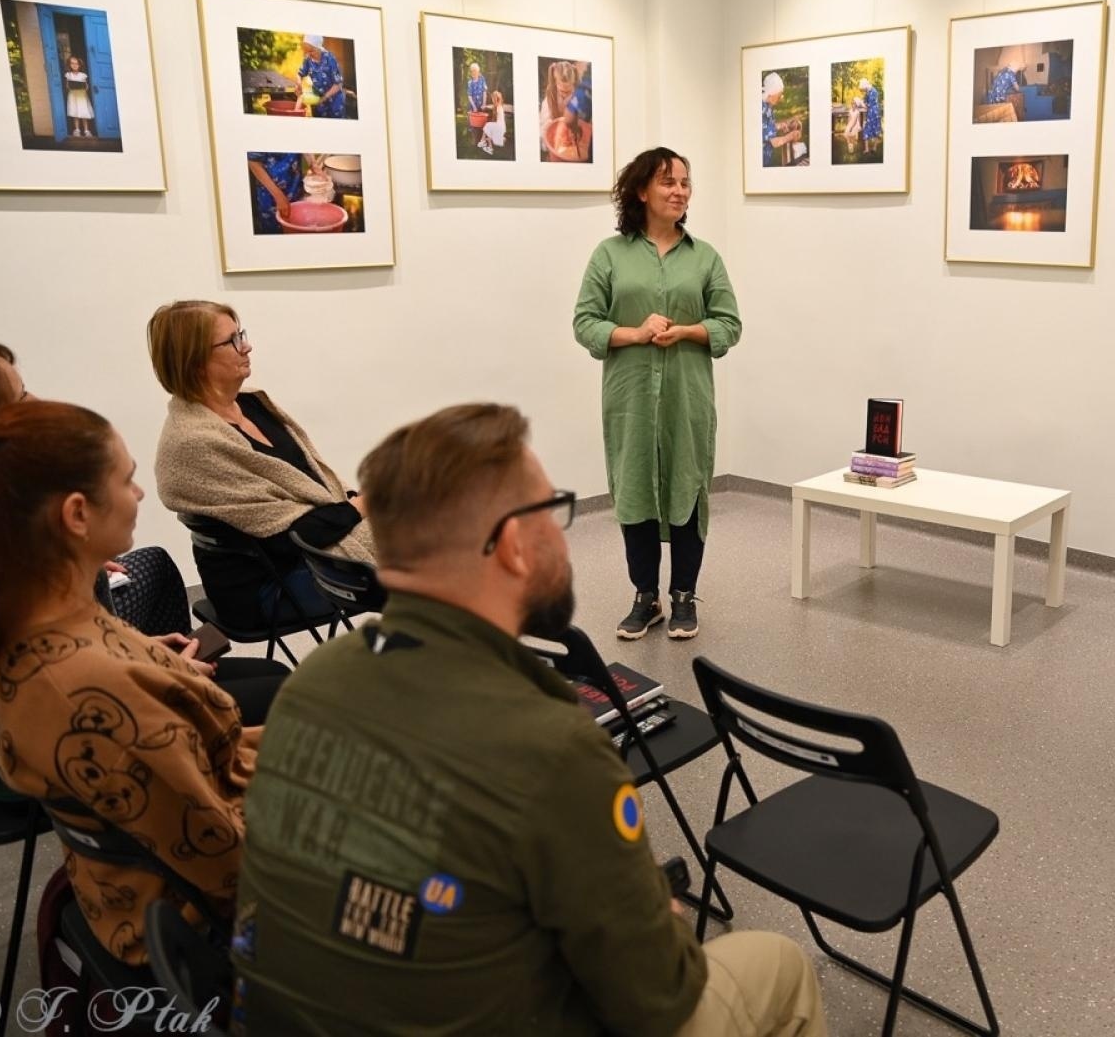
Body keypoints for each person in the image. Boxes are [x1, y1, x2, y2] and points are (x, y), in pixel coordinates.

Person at [231, 402, 826, 1036]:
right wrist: (665, 916)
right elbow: (658, 1000)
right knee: (778, 963)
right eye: (551, 509)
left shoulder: (312, 681)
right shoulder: (552, 745)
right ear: (514, 545)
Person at [0, 401, 261, 964]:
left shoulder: (14, 623)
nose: (140, 495)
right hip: (198, 921)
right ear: (75, 514)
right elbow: (229, 864)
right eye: (128, 480)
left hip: (149, 881)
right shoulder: (88, 693)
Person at [0, 339, 289, 724]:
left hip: (99, 678)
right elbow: (69, 691)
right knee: (283, 691)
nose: (37, 400)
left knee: (154, 565)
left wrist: (144, 652)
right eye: (22, 394)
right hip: (87, 715)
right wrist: (157, 675)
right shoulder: (3, 566)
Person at [573, 148, 742, 641]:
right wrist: (636, 332)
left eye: (686, 183)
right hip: (629, 399)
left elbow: (730, 325)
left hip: (687, 400)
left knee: (687, 490)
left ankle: (684, 597)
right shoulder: (610, 254)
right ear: (642, 190)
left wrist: (689, 331)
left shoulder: (705, 257)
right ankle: (645, 597)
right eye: (668, 182)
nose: (679, 191)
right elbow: (585, 324)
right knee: (636, 492)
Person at [148, 300, 374, 633]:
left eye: (242, 334)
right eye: (232, 341)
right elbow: (285, 538)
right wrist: (359, 508)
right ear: (194, 360)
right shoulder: (192, 443)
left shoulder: (252, 403)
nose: (247, 346)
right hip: (270, 587)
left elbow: (312, 491)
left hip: (311, 555)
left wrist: (357, 505)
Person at [297, 34, 346, 119]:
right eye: (306, 50)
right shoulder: (308, 59)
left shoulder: (330, 59)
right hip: (318, 101)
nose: (308, 54)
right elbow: (299, 74)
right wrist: (298, 84)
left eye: (311, 51)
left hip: (334, 102)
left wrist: (324, 98)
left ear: (318, 47)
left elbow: (338, 84)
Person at [760, 71, 802, 167]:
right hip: (762, 161)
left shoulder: (768, 105)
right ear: (771, 94)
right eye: (779, 95)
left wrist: (781, 125)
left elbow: (767, 127)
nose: (781, 97)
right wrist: (790, 136)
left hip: (767, 158)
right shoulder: (762, 111)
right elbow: (774, 142)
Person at [63, 53, 94, 138]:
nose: (74, 65)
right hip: (73, 96)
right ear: (69, 65)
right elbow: (67, 86)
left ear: (79, 65)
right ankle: (77, 130)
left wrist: (84, 86)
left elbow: (86, 86)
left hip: (82, 96)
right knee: (75, 112)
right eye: (72, 63)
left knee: (83, 112)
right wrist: (70, 86)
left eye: (76, 63)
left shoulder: (83, 75)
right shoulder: (68, 74)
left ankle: (86, 130)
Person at [859, 76, 882, 155]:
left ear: (866, 86)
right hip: (870, 113)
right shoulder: (868, 91)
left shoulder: (874, 92)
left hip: (874, 114)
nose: (864, 91)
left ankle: (874, 148)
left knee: (875, 130)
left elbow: (868, 105)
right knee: (866, 130)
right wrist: (860, 101)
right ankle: (867, 149)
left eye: (864, 89)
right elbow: (864, 100)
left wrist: (862, 104)